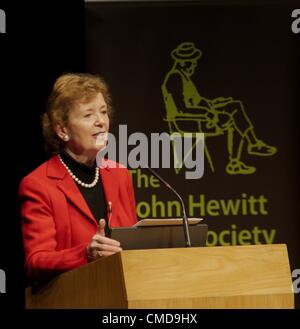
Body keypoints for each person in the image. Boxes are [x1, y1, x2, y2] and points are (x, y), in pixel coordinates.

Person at [19, 73, 137, 281]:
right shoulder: (38, 185)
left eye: (103, 112)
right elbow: (36, 262)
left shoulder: (119, 175)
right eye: (88, 115)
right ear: (62, 129)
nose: (101, 122)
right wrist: (85, 254)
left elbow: (132, 246)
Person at [162, 42, 277, 175]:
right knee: (230, 120)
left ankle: (253, 143)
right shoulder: (174, 78)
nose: (194, 65)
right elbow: (181, 109)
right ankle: (235, 162)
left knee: (234, 106)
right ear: (182, 62)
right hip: (185, 122)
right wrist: (208, 112)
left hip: (200, 116)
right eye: (191, 62)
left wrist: (214, 104)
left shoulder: (185, 78)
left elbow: (198, 101)